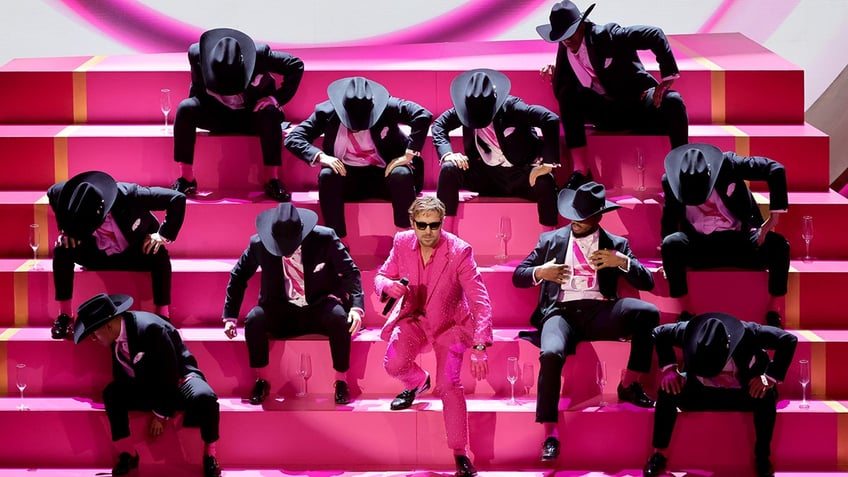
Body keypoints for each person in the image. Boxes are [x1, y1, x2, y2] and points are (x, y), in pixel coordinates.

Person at [512, 181, 659, 461]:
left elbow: (648, 281)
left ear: (598, 217)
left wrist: (622, 262)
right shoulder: (550, 240)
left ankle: (629, 384)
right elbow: (518, 275)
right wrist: (541, 272)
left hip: (600, 311)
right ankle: (550, 433)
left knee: (648, 313)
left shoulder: (617, 245)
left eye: (583, 218)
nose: (575, 222)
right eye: (573, 216)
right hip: (561, 312)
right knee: (552, 353)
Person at [375, 196, 493, 477]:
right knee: (393, 363)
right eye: (422, 225)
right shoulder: (402, 242)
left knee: (449, 385)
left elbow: (480, 301)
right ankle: (418, 382)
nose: (428, 231)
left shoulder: (460, 251)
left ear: (442, 223)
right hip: (414, 318)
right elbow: (381, 275)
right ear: (412, 223)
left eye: (434, 225)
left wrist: (479, 344)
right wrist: (388, 285)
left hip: (450, 325)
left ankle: (460, 455)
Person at [222, 203, 364, 405]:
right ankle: (262, 379)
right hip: (281, 308)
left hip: (319, 305)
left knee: (339, 317)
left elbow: (350, 272)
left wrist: (357, 308)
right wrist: (230, 317)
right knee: (254, 319)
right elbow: (238, 275)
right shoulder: (258, 244)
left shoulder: (325, 238)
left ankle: (341, 380)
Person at [536, 1, 688, 189]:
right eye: (562, 36)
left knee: (673, 101)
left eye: (570, 33)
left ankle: (681, 168)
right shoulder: (565, 49)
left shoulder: (608, 35)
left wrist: (667, 76)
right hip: (609, 114)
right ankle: (581, 170)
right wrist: (554, 66)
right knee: (568, 95)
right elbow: (568, 77)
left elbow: (654, 34)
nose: (566, 40)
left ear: (582, 24)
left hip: (638, 105)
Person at [73, 293, 221, 477]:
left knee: (205, 398)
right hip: (147, 385)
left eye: (94, 335)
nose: (93, 340)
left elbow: (169, 373)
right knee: (112, 393)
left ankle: (210, 455)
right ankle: (128, 453)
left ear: (108, 326)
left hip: (179, 380)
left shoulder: (150, 329)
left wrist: (160, 414)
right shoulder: (115, 336)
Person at [643, 312, 797, 477]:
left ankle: (762, 457)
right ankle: (659, 454)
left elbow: (788, 340)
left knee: (766, 396)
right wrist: (669, 369)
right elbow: (658, 332)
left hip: (740, 391)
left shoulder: (749, 333)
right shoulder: (687, 330)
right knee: (667, 389)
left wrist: (769, 377)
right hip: (701, 392)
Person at [285, 76, 432, 241]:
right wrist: (321, 156)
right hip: (349, 178)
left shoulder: (387, 107)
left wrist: (409, 154)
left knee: (402, 174)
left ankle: (404, 241)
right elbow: (294, 138)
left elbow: (423, 115)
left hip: (383, 174)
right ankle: (339, 244)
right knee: (327, 175)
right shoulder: (326, 112)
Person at [660, 143, 790, 327]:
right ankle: (686, 311)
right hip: (700, 245)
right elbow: (670, 218)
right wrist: (666, 259)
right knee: (671, 244)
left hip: (739, 241)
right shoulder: (670, 182)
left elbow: (775, 169)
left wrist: (772, 219)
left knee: (779, 245)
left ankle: (772, 310)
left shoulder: (729, 164)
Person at [47, 171, 185, 340]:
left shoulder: (130, 195)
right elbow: (52, 193)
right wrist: (66, 230)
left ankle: (163, 315)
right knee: (62, 248)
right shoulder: (64, 193)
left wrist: (163, 234)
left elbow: (177, 198)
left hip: (133, 251)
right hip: (95, 254)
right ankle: (64, 315)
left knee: (158, 252)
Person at [172, 28, 304, 201]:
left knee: (270, 114)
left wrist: (275, 99)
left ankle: (272, 179)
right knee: (185, 108)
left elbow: (295, 65)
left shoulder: (260, 55)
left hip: (251, 114)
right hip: (216, 114)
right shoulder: (197, 55)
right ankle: (186, 178)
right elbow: (196, 90)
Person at [432, 68, 560, 234]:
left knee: (545, 182)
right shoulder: (467, 109)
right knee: (448, 168)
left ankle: (549, 239)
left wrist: (548, 165)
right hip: (487, 176)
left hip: (520, 174)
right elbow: (439, 125)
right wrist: (448, 154)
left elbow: (550, 119)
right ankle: (444, 235)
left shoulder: (513, 107)